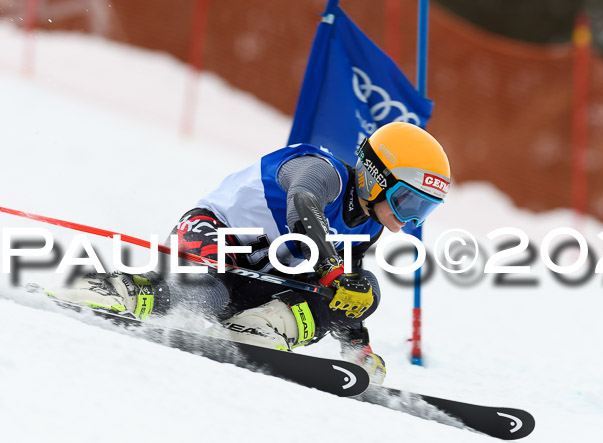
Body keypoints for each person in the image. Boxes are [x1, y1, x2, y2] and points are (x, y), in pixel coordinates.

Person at [49, 122, 451, 384]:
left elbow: (343, 286)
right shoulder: (322, 168)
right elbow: (303, 203)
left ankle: (258, 328)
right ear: (376, 177)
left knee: (364, 288)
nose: (409, 220)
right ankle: (118, 290)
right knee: (209, 295)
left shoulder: (370, 224)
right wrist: (330, 269)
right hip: (212, 239)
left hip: (261, 279)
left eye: (422, 211)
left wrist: (356, 346)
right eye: (407, 203)